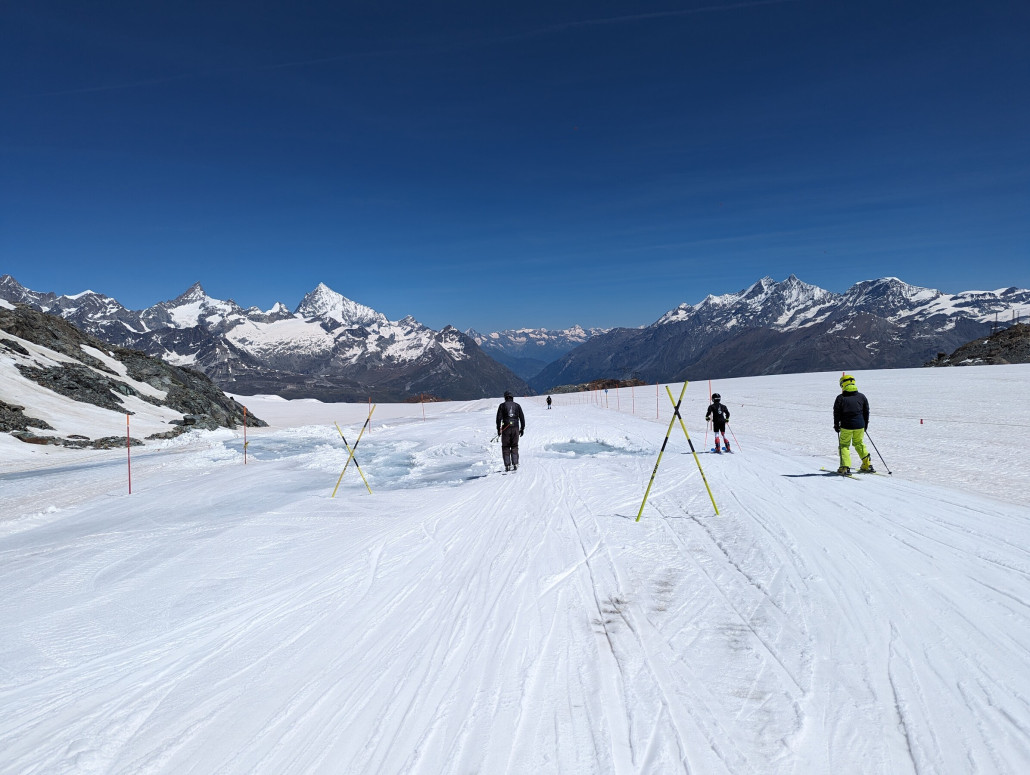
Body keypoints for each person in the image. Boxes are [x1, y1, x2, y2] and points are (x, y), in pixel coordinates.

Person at [833, 373, 873, 474]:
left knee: (844, 445)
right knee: (859, 443)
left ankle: (845, 467)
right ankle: (867, 464)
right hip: (860, 425)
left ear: (842, 384)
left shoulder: (840, 398)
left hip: (846, 426)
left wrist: (836, 425)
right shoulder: (861, 396)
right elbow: (866, 411)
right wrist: (865, 425)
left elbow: (836, 413)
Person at [496, 390, 526, 472]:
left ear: (505, 397)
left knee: (505, 446)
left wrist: (499, 429)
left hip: (506, 428)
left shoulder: (502, 406)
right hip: (515, 428)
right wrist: (522, 428)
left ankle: (507, 465)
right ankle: (515, 464)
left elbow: (498, 418)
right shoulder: (517, 406)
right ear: (512, 397)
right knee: (514, 445)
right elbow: (522, 418)